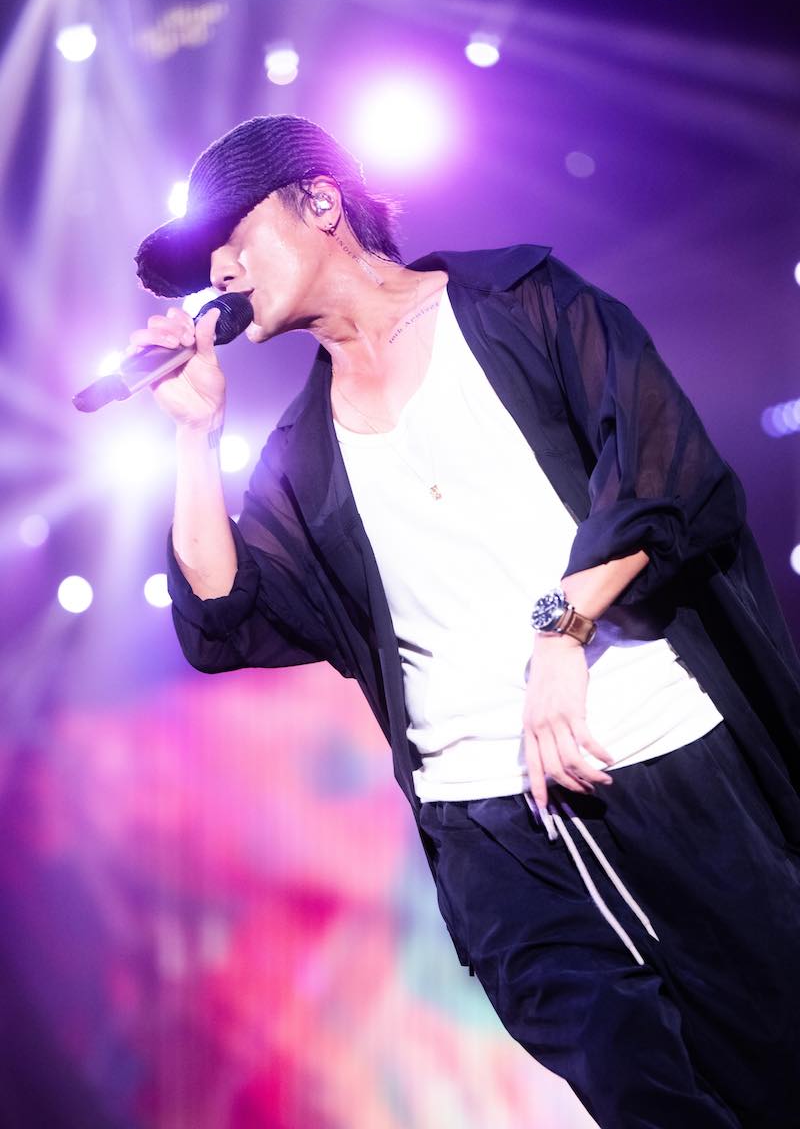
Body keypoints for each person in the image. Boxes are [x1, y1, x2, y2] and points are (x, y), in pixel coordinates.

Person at [132, 114, 800, 1128]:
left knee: (776, 1054)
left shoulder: (521, 301)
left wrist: (561, 631)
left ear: (320, 202)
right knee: (645, 1097)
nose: (218, 271)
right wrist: (195, 437)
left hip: (652, 753)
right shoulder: (301, 455)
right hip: (487, 831)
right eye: (205, 260)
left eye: (233, 236)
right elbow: (223, 615)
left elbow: (667, 471)